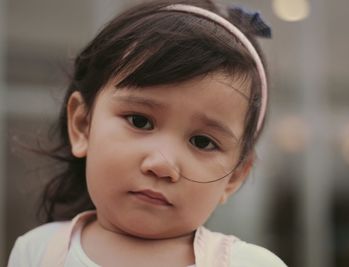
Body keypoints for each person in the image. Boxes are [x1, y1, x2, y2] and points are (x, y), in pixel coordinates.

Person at [8, 0, 286, 266]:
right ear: (83, 125)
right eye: (140, 121)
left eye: (202, 142)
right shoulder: (37, 251)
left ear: (234, 176)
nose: (162, 164)